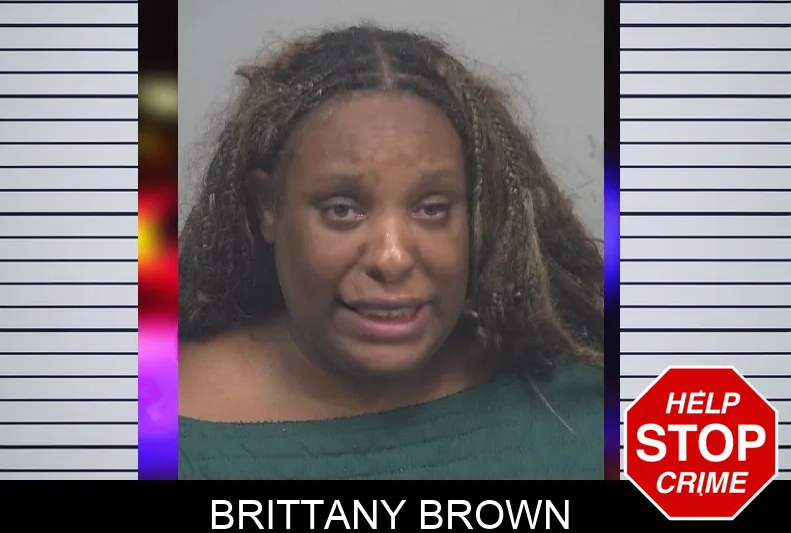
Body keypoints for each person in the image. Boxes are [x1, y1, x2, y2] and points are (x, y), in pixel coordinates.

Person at [178, 24, 604, 480]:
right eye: (342, 210)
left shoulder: (584, 409)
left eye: (432, 209)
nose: (392, 257)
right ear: (269, 206)